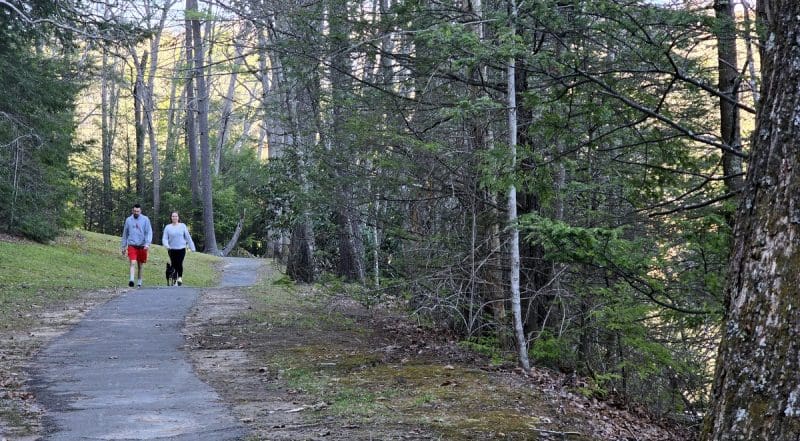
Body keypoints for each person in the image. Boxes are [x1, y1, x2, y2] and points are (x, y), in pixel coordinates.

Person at [120, 203, 153, 287]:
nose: (136, 213)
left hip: (142, 245)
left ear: (140, 211)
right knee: (132, 262)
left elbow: (149, 232)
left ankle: (139, 281)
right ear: (132, 211)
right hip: (132, 245)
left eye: (137, 211)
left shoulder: (145, 219)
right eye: (134, 211)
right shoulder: (128, 220)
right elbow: (125, 233)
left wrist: (147, 243)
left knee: (140, 265)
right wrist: (123, 246)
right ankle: (131, 280)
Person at [162, 211, 196, 286]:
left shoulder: (182, 226)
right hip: (171, 249)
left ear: (178, 217)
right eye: (173, 216)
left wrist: (192, 247)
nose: (174, 217)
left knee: (179, 263)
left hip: (181, 248)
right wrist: (167, 245)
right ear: (171, 217)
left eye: (176, 216)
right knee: (174, 264)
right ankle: (175, 280)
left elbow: (188, 237)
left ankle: (179, 278)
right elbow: (164, 238)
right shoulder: (168, 227)